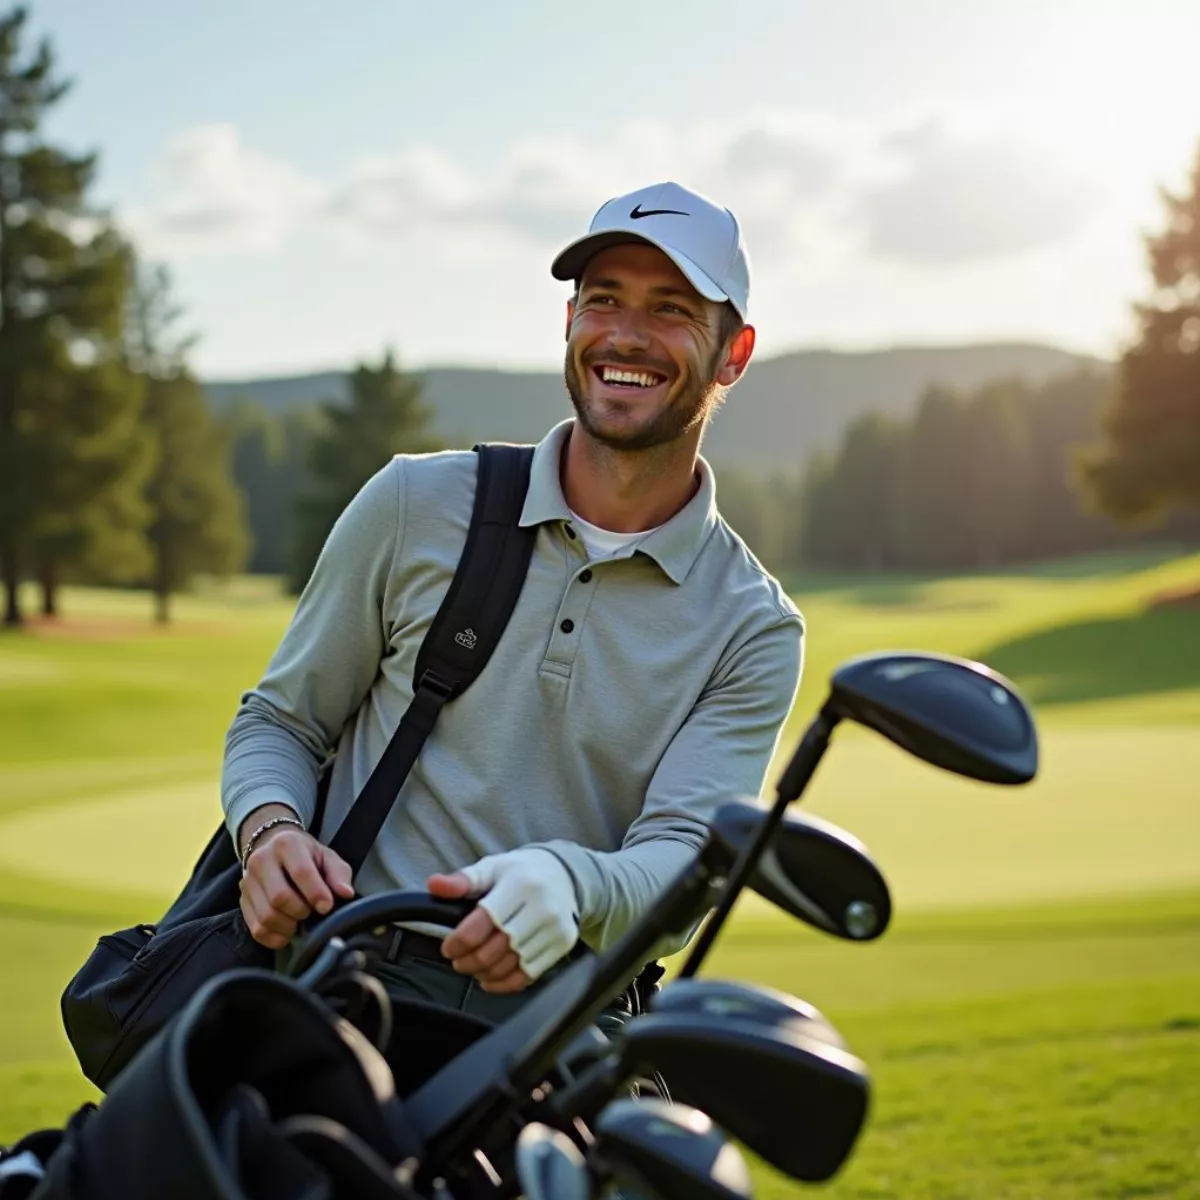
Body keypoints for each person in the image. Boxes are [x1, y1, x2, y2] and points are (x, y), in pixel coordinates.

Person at [221, 180, 804, 1033]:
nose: (626, 335)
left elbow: (683, 866)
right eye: (602, 300)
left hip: (554, 1035)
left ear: (734, 354)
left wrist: (571, 885)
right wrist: (268, 833)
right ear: (570, 322)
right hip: (337, 984)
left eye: (671, 309)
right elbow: (279, 723)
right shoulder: (414, 502)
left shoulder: (751, 625)